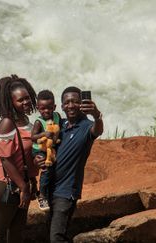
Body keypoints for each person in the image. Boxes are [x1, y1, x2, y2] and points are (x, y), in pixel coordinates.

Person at [38, 86, 104, 243]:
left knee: (56, 237)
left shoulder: (87, 126)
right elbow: (45, 145)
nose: (71, 105)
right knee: (53, 233)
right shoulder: (59, 124)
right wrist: (38, 157)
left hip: (66, 192)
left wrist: (97, 115)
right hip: (50, 188)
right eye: (67, 102)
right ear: (61, 106)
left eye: (75, 101)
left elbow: (98, 130)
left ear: (81, 104)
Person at [0, 74, 39, 243]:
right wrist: (23, 187)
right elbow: (5, 160)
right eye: (20, 100)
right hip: (4, 181)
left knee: (17, 229)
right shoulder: (7, 123)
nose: (26, 102)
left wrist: (31, 180)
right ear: (11, 102)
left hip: (22, 181)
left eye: (27, 98)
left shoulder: (25, 120)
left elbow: (25, 157)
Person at [31, 90, 61, 211]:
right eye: (43, 108)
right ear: (38, 108)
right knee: (46, 169)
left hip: (51, 147)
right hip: (39, 149)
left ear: (54, 107)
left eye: (49, 108)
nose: (46, 111)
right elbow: (32, 137)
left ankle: (52, 191)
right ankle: (41, 195)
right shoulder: (39, 122)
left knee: (56, 168)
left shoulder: (57, 116)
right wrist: (44, 133)